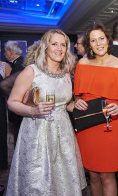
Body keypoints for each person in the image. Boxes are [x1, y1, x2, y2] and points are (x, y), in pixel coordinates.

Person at [5, 29, 86, 195]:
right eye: (54, 44)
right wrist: (33, 110)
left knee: (63, 180)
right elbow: (12, 102)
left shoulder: (66, 73)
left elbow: (65, 103)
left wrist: (75, 105)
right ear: (45, 47)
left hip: (63, 134)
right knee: (38, 181)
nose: (59, 48)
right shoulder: (31, 71)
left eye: (63, 45)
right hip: (37, 133)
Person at [74, 22, 118, 196]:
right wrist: (77, 101)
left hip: (111, 126)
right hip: (88, 126)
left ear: (108, 40)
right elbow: (77, 96)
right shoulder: (82, 63)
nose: (99, 43)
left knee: (108, 176)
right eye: (94, 40)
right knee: (93, 176)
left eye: (101, 39)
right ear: (89, 44)